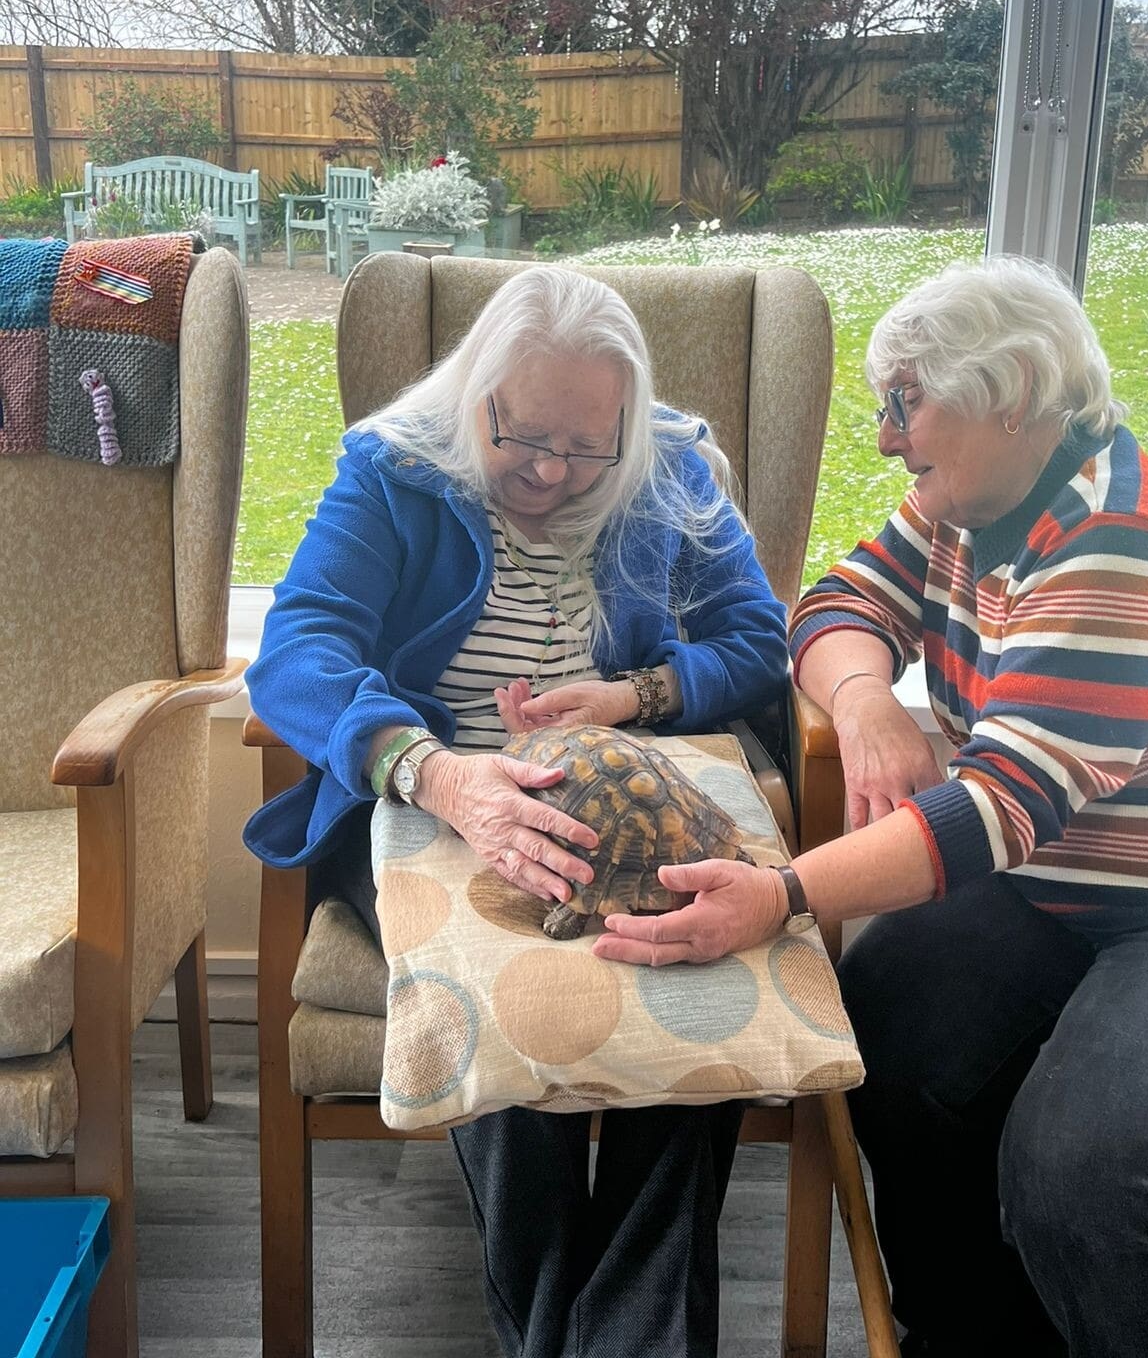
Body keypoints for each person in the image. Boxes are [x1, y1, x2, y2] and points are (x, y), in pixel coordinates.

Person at [592, 255, 1148, 1358]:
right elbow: (837, 604)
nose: (887, 434)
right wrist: (867, 702)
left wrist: (781, 893)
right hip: (1079, 878)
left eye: (908, 401)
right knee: (885, 1027)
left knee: (1088, 1164)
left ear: (1018, 389)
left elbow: (997, 810)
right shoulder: (970, 503)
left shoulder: (1118, 541)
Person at [243, 265, 789, 1358]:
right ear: (476, 393)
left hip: (619, 803)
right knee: (507, 997)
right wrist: (441, 774)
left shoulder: (670, 472)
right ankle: (549, 1336)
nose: (551, 470)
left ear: (628, 429)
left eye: (589, 449)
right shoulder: (396, 470)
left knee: (690, 971)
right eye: (524, 436)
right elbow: (296, 651)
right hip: (419, 802)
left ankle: (628, 1341)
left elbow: (758, 640)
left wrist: (641, 695)